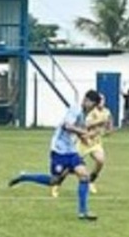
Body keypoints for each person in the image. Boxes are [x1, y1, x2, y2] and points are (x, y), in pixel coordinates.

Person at [8, 90, 100, 221]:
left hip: (71, 151)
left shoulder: (84, 114)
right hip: (59, 150)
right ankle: (25, 176)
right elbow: (67, 126)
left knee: (84, 175)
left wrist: (87, 138)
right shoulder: (75, 109)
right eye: (93, 104)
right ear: (86, 100)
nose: (93, 108)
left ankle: (83, 212)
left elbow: (77, 132)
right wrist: (84, 132)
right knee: (54, 181)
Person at [51, 92, 114, 197]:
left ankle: (91, 182)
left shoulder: (106, 112)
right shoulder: (85, 112)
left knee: (100, 160)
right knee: (68, 168)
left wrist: (105, 131)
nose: (101, 103)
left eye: (103, 100)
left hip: (94, 142)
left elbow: (108, 129)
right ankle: (56, 184)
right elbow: (81, 126)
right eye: (99, 101)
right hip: (80, 144)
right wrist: (90, 130)